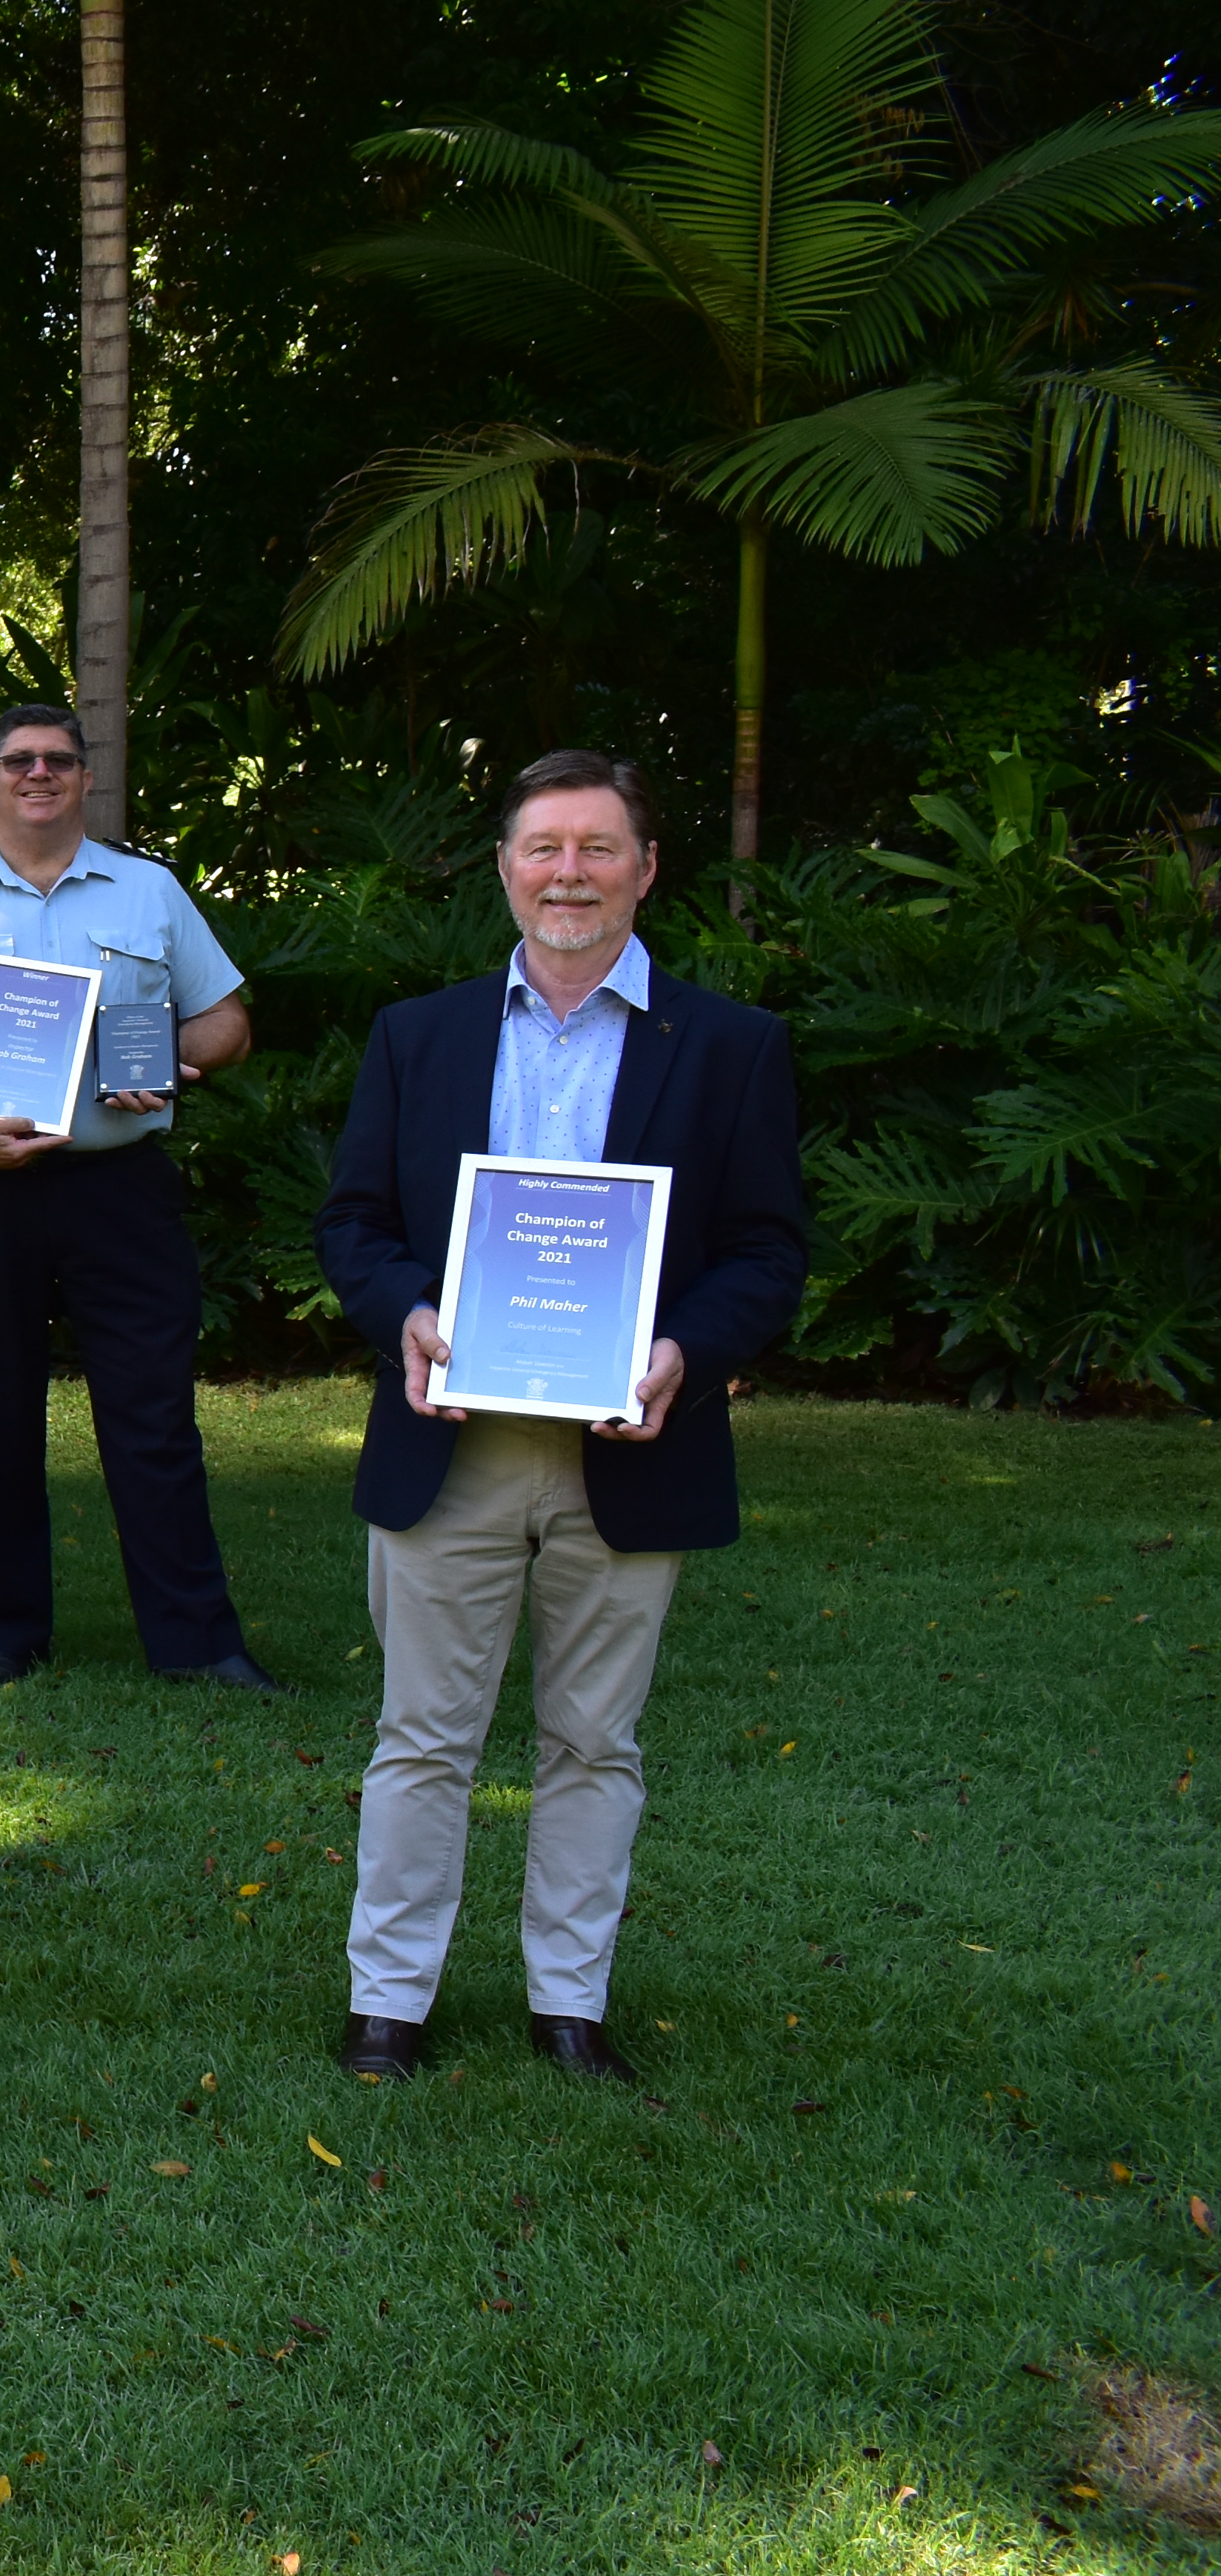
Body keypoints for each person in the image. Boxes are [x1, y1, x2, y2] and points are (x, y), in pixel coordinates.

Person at [314, 750, 807, 2086]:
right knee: (423, 1734)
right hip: (450, 1445)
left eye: (599, 849)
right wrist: (409, 1312)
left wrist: (682, 1353)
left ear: (646, 871)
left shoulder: (729, 1048)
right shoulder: (421, 1036)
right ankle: (388, 2001)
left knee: (596, 1739)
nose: (570, 874)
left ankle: (568, 2003)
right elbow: (354, 1224)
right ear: (506, 873)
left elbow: (767, 1250)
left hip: (631, 1447)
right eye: (545, 849)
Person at [0, 701, 280, 1691]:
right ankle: (8, 1636)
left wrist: (166, 1059)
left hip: (117, 1186)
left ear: (86, 781)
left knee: (154, 1414)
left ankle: (198, 1644)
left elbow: (227, 1025)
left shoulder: (149, 892)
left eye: (60, 761)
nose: (40, 774)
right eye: (19, 761)